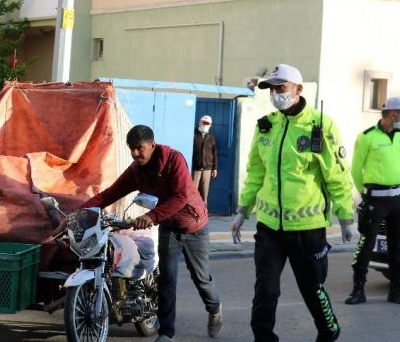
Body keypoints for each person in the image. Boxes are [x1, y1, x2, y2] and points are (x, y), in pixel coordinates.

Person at [230, 63, 354, 342]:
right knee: (266, 289)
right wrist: (242, 211)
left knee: (312, 288)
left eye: (281, 88)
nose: (275, 94)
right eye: (272, 88)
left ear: (298, 89)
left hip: (307, 229)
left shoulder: (320, 125)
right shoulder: (266, 126)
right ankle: (263, 338)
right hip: (269, 227)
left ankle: (328, 330)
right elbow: (256, 173)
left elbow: (336, 175)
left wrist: (346, 219)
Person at [81, 125, 222, 342]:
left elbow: (181, 196)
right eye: (132, 149)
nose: (136, 154)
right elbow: (109, 194)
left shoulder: (174, 160)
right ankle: (166, 333)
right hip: (169, 227)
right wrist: (80, 213)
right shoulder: (136, 170)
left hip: (194, 226)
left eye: (140, 148)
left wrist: (151, 216)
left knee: (201, 279)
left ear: (152, 145)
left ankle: (214, 308)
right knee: (166, 279)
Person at [344, 97, 400, 306]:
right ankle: (358, 290)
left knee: (397, 246)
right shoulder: (367, 137)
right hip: (376, 199)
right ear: (393, 114)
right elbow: (356, 169)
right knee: (366, 244)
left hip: (399, 200)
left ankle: (397, 291)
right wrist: (364, 195)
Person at [192, 115, 218, 203]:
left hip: (207, 169)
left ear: (210, 125)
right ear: (200, 122)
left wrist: (215, 168)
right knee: (192, 192)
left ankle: (203, 212)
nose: (205, 125)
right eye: (204, 123)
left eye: (208, 123)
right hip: (195, 168)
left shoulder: (211, 137)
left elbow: (214, 153)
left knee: (204, 193)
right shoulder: (193, 134)